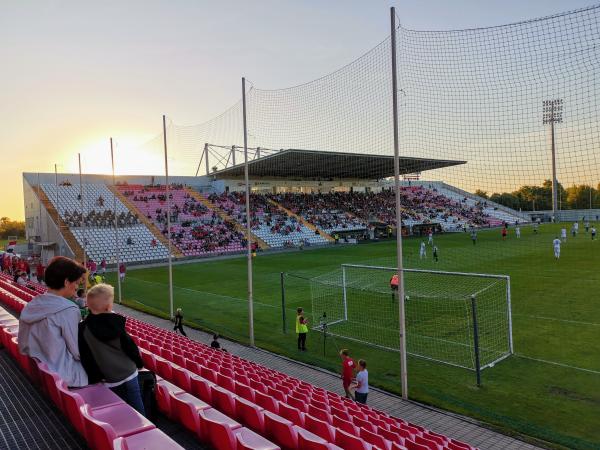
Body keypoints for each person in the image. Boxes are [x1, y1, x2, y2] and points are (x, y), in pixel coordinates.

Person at [18, 256, 88, 387]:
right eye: (76, 283)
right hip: (66, 376)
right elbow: (77, 352)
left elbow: (23, 345)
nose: (77, 287)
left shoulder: (32, 304)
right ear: (67, 282)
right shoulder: (68, 309)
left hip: (41, 373)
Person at [78, 284, 145, 415]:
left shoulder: (83, 329)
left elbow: (86, 356)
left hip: (108, 378)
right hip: (129, 372)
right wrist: (139, 363)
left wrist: (95, 377)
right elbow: (130, 346)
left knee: (118, 406)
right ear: (109, 307)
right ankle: (144, 424)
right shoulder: (116, 323)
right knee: (136, 401)